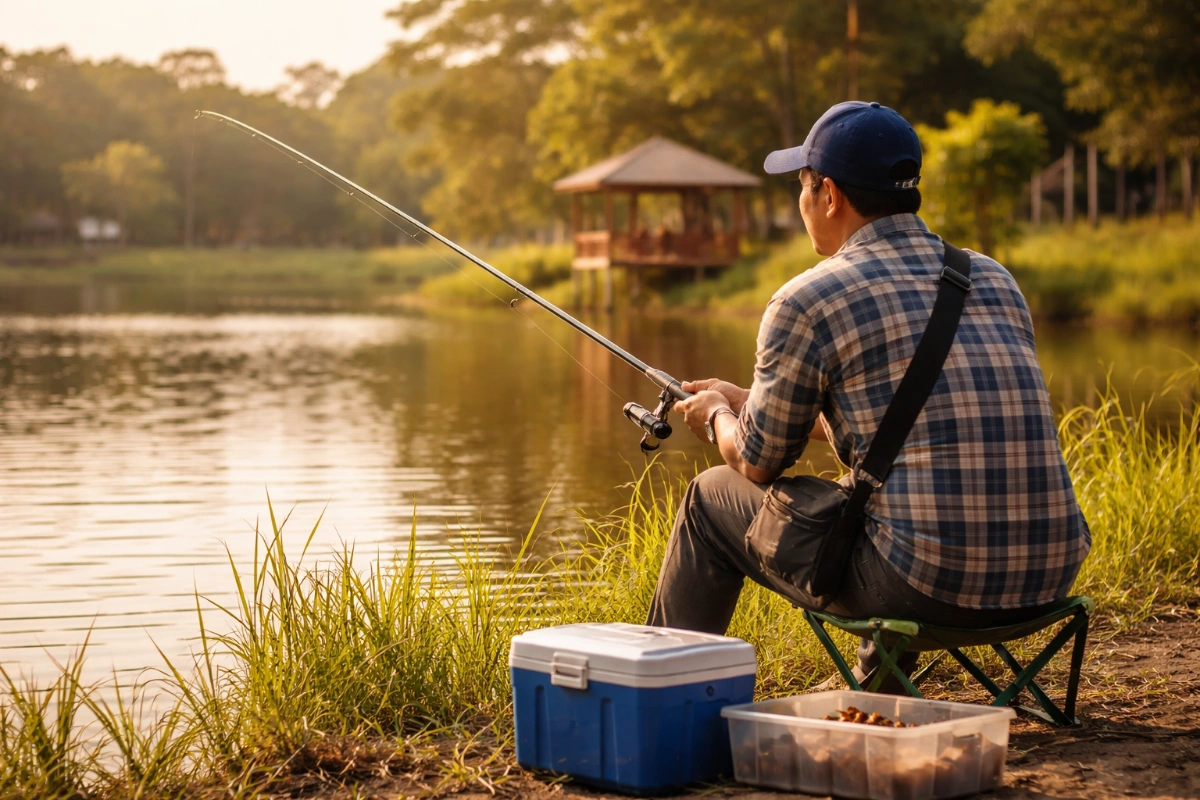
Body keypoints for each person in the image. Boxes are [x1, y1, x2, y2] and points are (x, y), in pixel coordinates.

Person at [646, 101, 1091, 685]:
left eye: (802, 187)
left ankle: (659, 690)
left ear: (828, 195)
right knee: (887, 498)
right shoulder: (991, 277)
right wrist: (749, 397)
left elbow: (755, 462)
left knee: (710, 497)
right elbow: (891, 419)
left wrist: (718, 415)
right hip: (1048, 577)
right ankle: (881, 691)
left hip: (927, 590)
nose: (801, 202)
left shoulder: (806, 299)